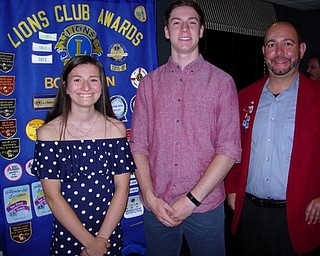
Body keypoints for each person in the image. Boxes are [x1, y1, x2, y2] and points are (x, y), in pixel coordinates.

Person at [129, 1, 241, 255]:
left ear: (201, 30)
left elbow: (229, 150)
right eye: (176, 22)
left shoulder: (223, 83)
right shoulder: (148, 84)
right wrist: (149, 197)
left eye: (192, 22)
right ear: (166, 31)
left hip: (206, 207)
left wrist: (191, 201)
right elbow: (138, 146)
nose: (184, 28)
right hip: (158, 206)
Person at [225, 21, 320, 256]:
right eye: (271, 44)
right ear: (264, 51)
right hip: (250, 214)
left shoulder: (317, 97)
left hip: (298, 217)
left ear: (301, 49)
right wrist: (232, 189)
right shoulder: (245, 97)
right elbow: (234, 148)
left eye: (288, 44)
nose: (279, 53)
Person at [31, 55, 135, 256]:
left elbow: (122, 189)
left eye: (93, 80)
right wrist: (90, 243)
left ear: (101, 86)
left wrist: (101, 241)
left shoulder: (116, 129)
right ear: (66, 87)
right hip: (69, 235)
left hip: (109, 233)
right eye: (77, 80)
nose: (86, 87)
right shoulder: (48, 133)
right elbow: (53, 197)